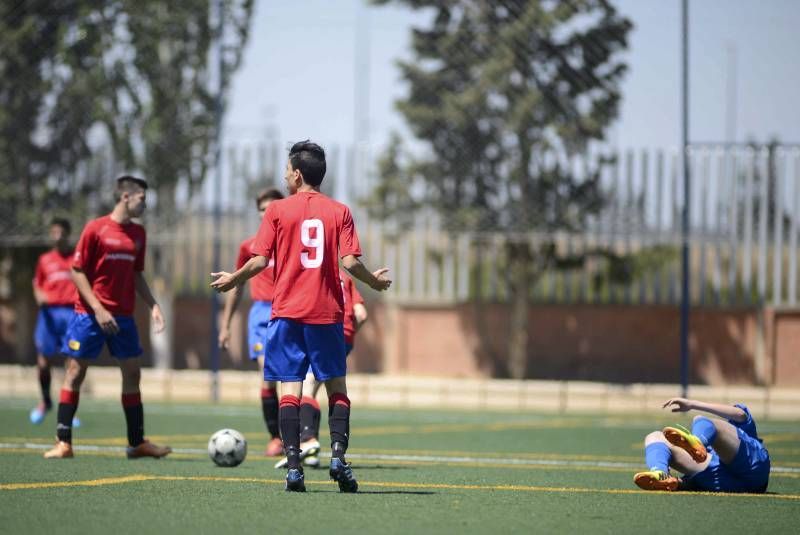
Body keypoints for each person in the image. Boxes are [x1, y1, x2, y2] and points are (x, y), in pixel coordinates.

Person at [211, 140, 391, 493]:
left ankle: (294, 467)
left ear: (295, 174)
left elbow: (260, 260)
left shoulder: (278, 211)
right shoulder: (339, 211)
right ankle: (339, 457)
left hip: (287, 314)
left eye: (285, 169)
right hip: (326, 314)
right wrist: (375, 282)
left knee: (288, 390)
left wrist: (232, 278)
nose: (284, 174)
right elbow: (350, 262)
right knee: (337, 388)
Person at [44, 176, 172, 460]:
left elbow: (136, 274)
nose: (146, 204)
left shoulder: (139, 234)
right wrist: (99, 309)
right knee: (75, 373)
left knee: (132, 374)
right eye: (142, 198)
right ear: (125, 197)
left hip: (123, 317)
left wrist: (153, 305)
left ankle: (136, 443)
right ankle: (63, 442)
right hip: (89, 316)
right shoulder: (95, 229)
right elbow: (77, 272)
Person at [276, 268, 368, 469]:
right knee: (331, 386)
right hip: (344, 337)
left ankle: (308, 439)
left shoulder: (313, 275)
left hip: (324, 329)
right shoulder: (346, 278)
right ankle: (313, 452)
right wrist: (349, 335)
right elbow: (361, 314)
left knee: (308, 385)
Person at [218, 188, 285, 457]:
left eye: (272, 207)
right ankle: (275, 437)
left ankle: (300, 436)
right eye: (262, 209)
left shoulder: (293, 243)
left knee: (290, 377)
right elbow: (237, 284)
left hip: (289, 312)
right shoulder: (249, 246)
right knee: (269, 374)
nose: (266, 213)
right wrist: (226, 325)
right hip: (260, 315)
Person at [634, 397, 770, 493]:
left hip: (749, 471)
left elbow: (740, 414)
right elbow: (741, 414)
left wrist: (692, 404)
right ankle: (660, 473)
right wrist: (679, 483)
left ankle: (698, 441)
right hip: (722, 477)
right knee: (655, 436)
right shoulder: (708, 450)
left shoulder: (742, 432)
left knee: (700, 420)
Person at [29, 219, 81, 427]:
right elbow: (37, 285)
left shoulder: (77, 258)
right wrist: (39, 296)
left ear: (68, 234)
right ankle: (45, 401)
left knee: (72, 363)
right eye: (54, 232)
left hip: (72, 315)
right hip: (48, 315)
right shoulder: (44, 260)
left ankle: (68, 409)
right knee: (43, 363)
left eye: (61, 232)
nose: (57, 235)